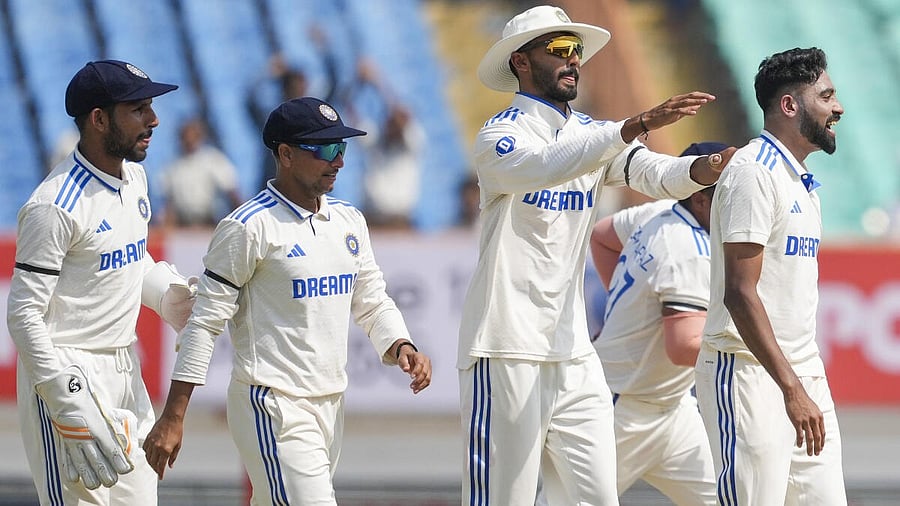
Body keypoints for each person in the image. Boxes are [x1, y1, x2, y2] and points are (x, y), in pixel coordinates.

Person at [458, 5, 733, 505]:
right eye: (558, 50)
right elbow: (545, 165)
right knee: (506, 499)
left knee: (595, 499)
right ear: (520, 62)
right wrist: (634, 125)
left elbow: (658, 176)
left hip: (573, 351)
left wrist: (712, 166)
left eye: (576, 51)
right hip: (506, 345)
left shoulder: (592, 134)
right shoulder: (500, 136)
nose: (573, 61)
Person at [142, 96, 433, 505]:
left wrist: (401, 343)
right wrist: (173, 416)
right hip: (272, 405)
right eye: (326, 150)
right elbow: (204, 324)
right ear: (286, 154)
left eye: (342, 148)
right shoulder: (248, 226)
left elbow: (371, 297)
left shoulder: (349, 220)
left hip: (331, 402)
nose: (339, 162)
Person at [7, 60, 195, 505]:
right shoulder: (54, 206)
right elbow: (23, 314)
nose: (154, 120)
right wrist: (64, 400)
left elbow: (131, 259)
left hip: (125, 370)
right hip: (66, 375)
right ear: (98, 119)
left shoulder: (136, 178)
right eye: (138, 110)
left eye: (150, 107)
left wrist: (170, 298)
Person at [695, 47, 847, 504]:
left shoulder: (800, 181)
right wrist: (791, 388)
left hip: (802, 373)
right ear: (789, 106)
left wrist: (802, 383)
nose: (837, 107)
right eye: (826, 96)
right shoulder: (752, 174)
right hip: (746, 372)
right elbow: (740, 293)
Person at [588, 142, 727, 505]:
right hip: (620, 410)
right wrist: (757, 354)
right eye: (729, 192)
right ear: (700, 199)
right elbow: (683, 347)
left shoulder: (658, 212)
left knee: (731, 497)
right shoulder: (691, 251)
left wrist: (630, 309)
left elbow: (602, 236)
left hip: (671, 405)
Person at [160, 117, 242, 228]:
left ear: (199, 137)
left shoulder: (213, 159)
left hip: (210, 222)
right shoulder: (173, 167)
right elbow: (168, 204)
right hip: (183, 225)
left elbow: (232, 192)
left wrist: (240, 221)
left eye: (192, 136)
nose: (188, 140)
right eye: (185, 136)